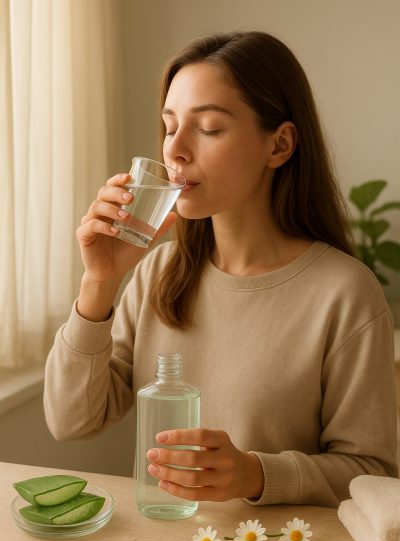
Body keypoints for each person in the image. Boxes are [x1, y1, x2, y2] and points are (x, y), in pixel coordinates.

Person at [43, 31, 398, 508]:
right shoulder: (158, 273)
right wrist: (99, 282)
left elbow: (373, 473)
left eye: (207, 128)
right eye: (170, 127)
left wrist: (255, 474)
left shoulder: (345, 293)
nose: (176, 151)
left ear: (280, 145)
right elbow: (71, 421)